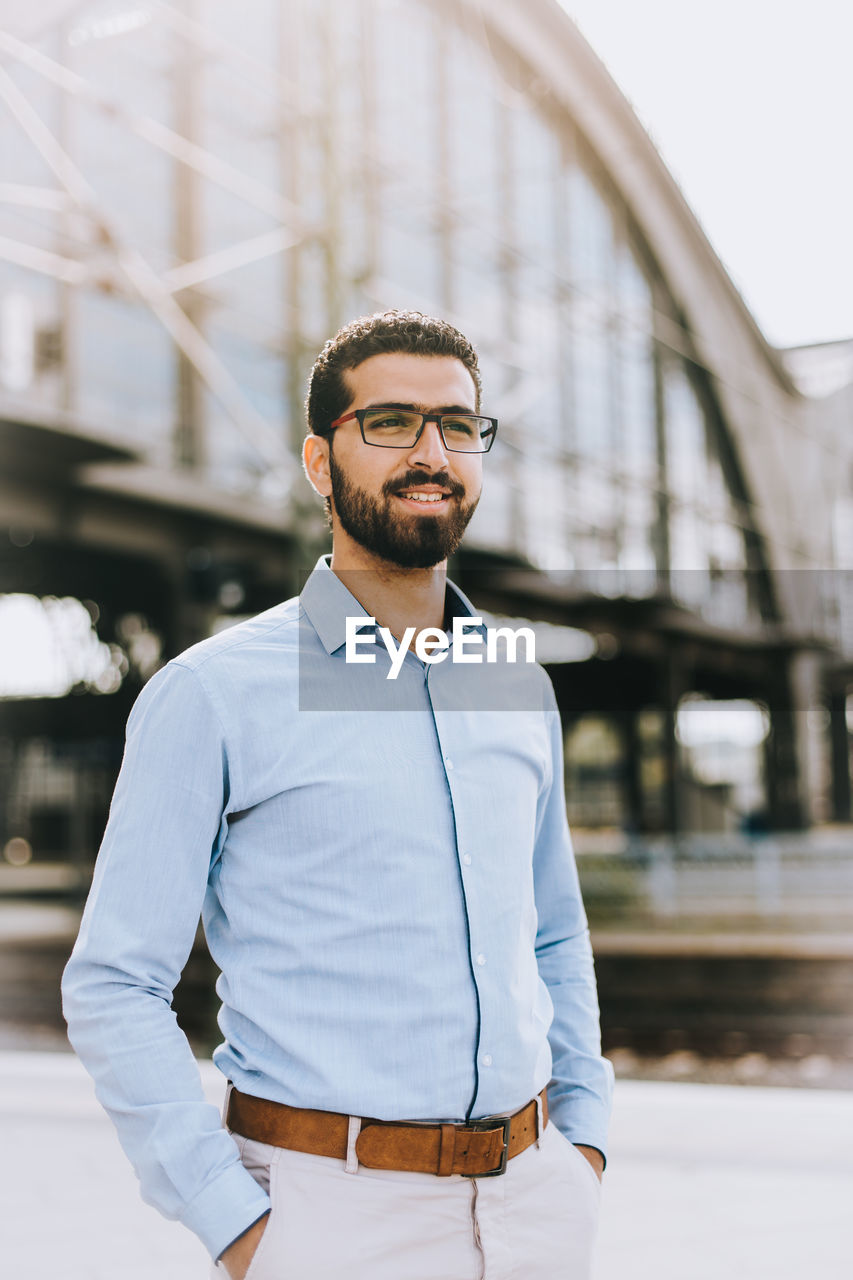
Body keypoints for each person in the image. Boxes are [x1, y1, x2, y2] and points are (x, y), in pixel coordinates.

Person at [62, 309, 614, 1280]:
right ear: (320, 463)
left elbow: (554, 934)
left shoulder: (516, 683)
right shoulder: (212, 693)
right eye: (391, 422)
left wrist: (586, 1138)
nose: (431, 452)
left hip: (536, 1206)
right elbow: (114, 980)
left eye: (457, 424)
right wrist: (237, 1224)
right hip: (331, 1218)